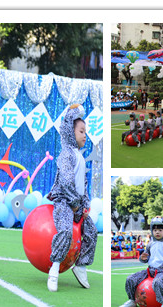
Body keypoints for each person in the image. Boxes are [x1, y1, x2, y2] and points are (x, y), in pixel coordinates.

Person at [46, 104, 98, 292]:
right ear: (70, 131)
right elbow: (66, 182)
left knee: (91, 231)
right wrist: (74, 205)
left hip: (77, 205)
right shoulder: (66, 154)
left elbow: (83, 184)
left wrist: (84, 205)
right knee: (66, 231)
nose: (85, 135)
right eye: (81, 131)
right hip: (64, 202)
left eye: (86, 132)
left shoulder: (80, 156)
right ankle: (54, 269)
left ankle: (81, 265)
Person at [119, 217, 163, 307]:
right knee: (130, 279)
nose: (157, 232)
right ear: (152, 231)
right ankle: (132, 300)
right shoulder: (150, 244)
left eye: (160, 230)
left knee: (158, 281)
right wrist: (143, 258)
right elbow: (145, 257)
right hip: (150, 271)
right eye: (155, 230)